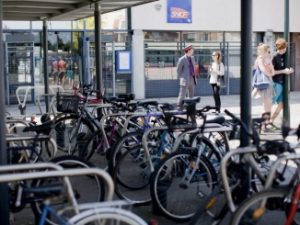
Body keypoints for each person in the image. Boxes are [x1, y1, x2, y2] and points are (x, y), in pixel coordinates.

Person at [270, 38, 294, 126]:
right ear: (278, 48)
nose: (283, 50)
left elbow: (288, 67)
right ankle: (264, 123)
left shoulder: (286, 56)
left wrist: (290, 70)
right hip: (276, 83)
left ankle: (270, 121)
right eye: (281, 49)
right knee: (270, 104)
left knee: (282, 104)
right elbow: (271, 72)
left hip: (283, 83)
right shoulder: (274, 57)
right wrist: (283, 71)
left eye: (285, 48)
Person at [252, 43, 275, 127]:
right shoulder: (260, 59)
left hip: (269, 83)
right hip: (264, 83)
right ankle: (263, 124)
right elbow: (262, 70)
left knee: (269, 104)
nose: (269, 52)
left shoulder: (268, 58)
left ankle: (267, 123)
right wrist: (270, 73)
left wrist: (271, 72)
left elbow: (272, 69)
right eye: (268, 51)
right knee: (266, 104)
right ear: (264, 51)